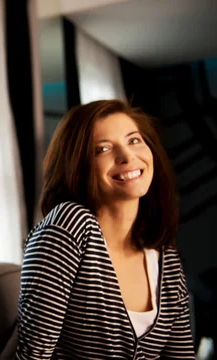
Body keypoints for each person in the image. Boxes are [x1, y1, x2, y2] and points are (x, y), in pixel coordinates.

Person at [16, 100, 196, 359]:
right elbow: (33, 355)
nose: (126, 156)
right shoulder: (69, 226)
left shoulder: (164, 255)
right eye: (102, 149)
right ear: (77, 165)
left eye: (134, 140)